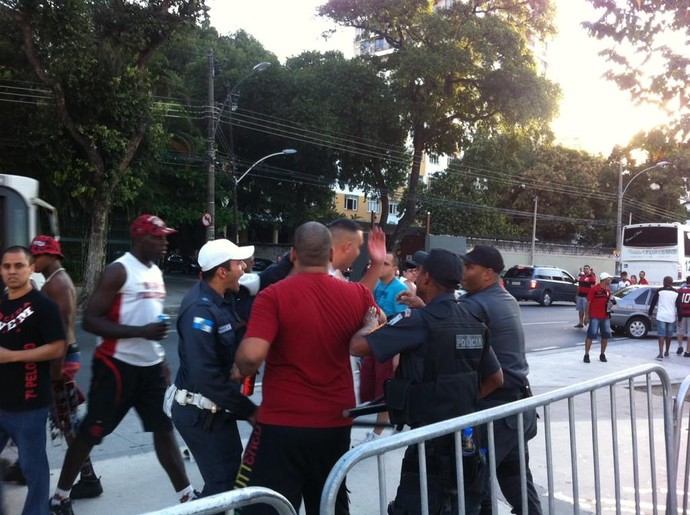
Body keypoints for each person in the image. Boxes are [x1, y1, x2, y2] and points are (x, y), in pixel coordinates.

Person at [232, 221, 383, 515]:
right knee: (328, 503)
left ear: (292, 254)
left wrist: (239, 360)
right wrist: (375, 266)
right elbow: (377, 321)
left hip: (282, 424)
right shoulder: (358, 296)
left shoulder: (273, 296)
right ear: (330, 254)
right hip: (335, 423)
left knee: (266, 505)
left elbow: (250, 358)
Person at [50, 215, 197, 515]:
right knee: (92, 431)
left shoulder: (156, 272)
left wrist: (159, 357)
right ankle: (60, 497)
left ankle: (188, 498)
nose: (165, 243)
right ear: (140, 239)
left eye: (165, 237)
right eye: (159, 237)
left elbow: (149, 320)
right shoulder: (118, 270)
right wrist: (141, 333)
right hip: (116, 368)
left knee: (164, 429)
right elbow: (91, 320)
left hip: (151, 369)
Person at [351, 248, 503, 514]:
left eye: (419, 272)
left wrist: (370, 322)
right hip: (465, 439)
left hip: (428, 444)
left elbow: (358, 346)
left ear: (426, 279)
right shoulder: (472, 321)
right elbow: (495, 378)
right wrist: (456, 400)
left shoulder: (418, 321)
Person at [459, 245, 543, 515]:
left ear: (488, 273)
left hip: (494, 410)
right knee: (515, 476)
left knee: (474, 483)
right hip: (516, 408)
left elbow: (446, 329)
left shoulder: (475, 304)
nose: (463, 272)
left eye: (469, 267)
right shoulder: (504, 297)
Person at [170, 238, 258, 497]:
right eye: (239, 263)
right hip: (200, 415)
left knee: (225, 481)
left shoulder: (223, 298)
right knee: (224, 486)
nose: (244, 267)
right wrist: (250, 410)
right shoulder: (200, 311)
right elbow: (205, 376)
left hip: (217, 412)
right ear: (222, 272)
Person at [25, 236, 103, 498]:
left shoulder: (57, 284)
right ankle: (87, 476)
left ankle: (88, 479)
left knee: (67, 422)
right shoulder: (57, 281)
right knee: (66, 420)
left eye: (36, 256)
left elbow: (57, 334)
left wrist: (56, 374)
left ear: (50, 255)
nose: (32, 261)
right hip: (63, 359)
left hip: (61, 361)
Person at [0, 246, 66, 515]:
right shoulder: (1, 303)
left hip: (29, 403)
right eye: (7, 266)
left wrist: (13, 356)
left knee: (33, 467)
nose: (12, 271)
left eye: (19, 266)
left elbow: (58, 347)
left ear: (30, 269)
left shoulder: (43, 306)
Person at [357, 252, 408, 445]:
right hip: (373, 345)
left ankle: (378, 434)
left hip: (388, 348)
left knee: (383, 392)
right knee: (371, 390)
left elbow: (403, 325)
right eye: (377, 263)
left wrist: (397, 353)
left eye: (385, 264)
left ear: (395, 269)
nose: (380, 267)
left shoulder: (400, 289)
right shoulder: (375, 285)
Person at [583, 272, 615, 363]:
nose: (610, 280)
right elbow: (588, 303)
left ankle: (602, 354)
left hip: (605, 316)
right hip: (595, 316)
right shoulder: (594, 289)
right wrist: (586, 315)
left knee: (605, 336)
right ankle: (586, 354)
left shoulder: (608, 291)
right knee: (591, 335)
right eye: (609, 278)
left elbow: (608, 302)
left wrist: (611, 304)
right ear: (604, 280)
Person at [648, 276, 678, 361]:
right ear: (671, 282)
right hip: (671, 316)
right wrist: (679, 319)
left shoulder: (659, 291)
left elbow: (653, 303)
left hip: (661, 316)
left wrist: (650, 314)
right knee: (669, 335)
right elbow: (679, 306)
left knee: (661, 334)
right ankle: (667, 351)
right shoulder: (676, 292)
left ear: (664, 282)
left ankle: (660, 354)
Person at [677, 276, 690, 357]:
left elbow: (677, 302)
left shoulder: (680, 290)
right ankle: (687, 351)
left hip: (681, 314)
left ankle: (680, 346)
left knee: (680, 331)